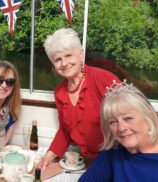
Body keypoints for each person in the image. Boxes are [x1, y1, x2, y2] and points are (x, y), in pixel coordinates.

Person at [37, 28, 121, 170]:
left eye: (68, 55)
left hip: (116, 159)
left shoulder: (103, 79)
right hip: (87, 162)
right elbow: (65, 131)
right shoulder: (59, 92)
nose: (64, 63)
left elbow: (136, 113)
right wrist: (48, 156)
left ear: (81, 55)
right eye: (58, 59)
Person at [79, 81, 158, 181]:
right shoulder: (113, 152)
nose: (121, 128)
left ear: (148, 116)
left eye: (128, 118)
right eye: (113, 122)